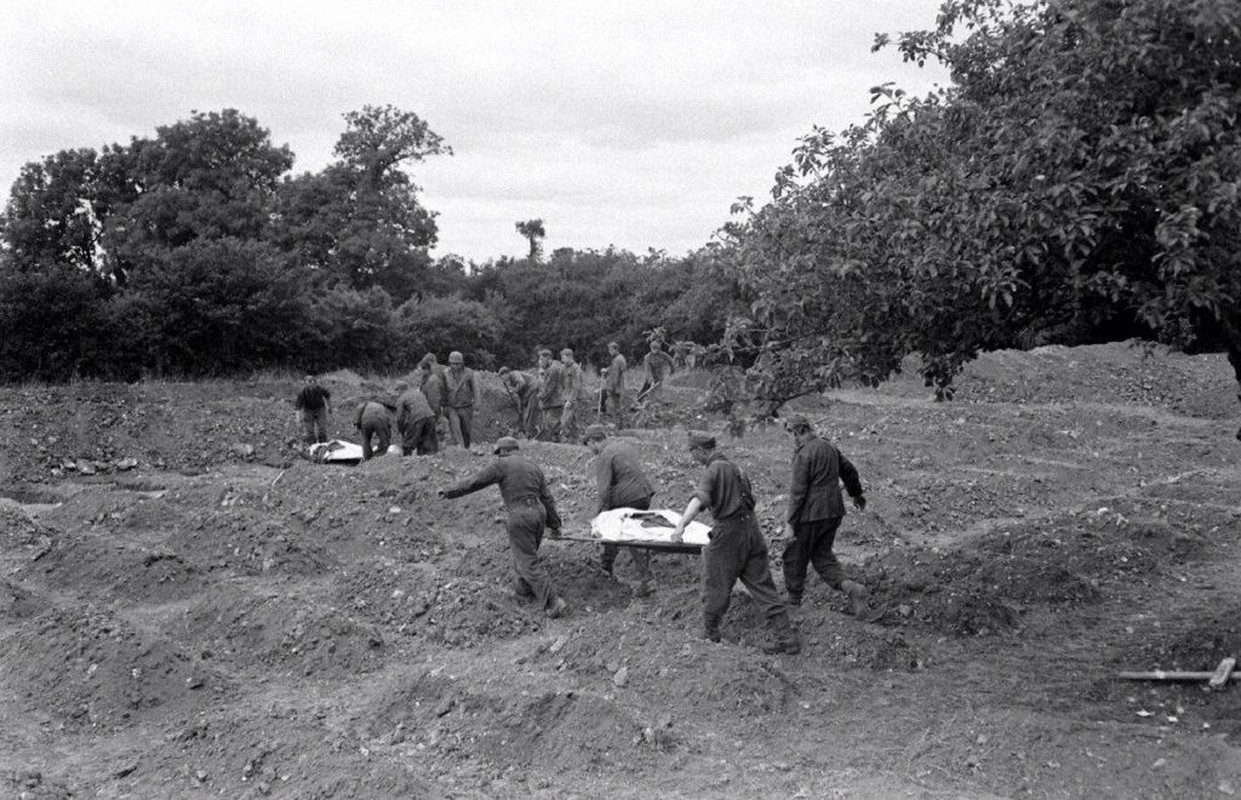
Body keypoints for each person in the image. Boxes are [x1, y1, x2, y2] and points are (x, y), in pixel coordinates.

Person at [670, 431, 800, 655]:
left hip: (729, 533)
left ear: (700, 451)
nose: (692, 457)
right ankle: (786, 637)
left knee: (717, 581)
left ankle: (710, 631)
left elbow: (699, 499)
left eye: (692, 452)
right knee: (762, 585)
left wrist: (681, 525)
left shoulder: (713, 470)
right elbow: (751, 499)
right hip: (752, 530)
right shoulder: (737, 468)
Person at [438, 437, 568, 618]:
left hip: (520, 515)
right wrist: (554, 525)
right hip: (539, 513)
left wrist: (449, 490)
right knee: (524, 554)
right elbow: (547, 498)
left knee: (527, 560)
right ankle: (524, 590)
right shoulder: (533, 467)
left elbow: (475, 481)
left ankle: (552, 601)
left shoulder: (502, 465)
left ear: (503, 452)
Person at [782, 415, 871, 616]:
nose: (792, 439)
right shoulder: (828, 447)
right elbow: (849, 470)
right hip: (833, 511)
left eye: (791, 434)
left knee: (794, 555)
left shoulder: (803, 455)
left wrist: (790, 523)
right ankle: (852, 589)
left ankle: (793, 604)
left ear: (797, 432)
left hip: (811, 514)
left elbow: (798, 492)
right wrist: (856, 494)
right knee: (822, 555)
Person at [584, 424, 656, 596]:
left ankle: (647, 579)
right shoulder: (624, 446)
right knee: (620, 528)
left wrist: (596, 517)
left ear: (593, 442)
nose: (589, 449)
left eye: (588, 445)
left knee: (628, 534)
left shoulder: (605, 454)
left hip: (628, 496)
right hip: (643, 494)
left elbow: (603, 490)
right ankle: (606, 566)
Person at [443, 351, 477, 449]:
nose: (455, 366)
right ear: (450, 363)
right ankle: (460, 448)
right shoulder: (445, 373)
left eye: (458, 363)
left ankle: (466, 448)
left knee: (466, 430)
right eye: (453, 363)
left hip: (466, 406)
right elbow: (443, 389)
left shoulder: (469, 373)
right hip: (452, 406)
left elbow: (476, 390)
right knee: (455, 427)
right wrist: (442, 404)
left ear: (462, 363)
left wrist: (476, 406)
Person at [395, 381, 438, 455]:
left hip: (417, 418)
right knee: (428, 441)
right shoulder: (418, 393)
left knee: (408, 443)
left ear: (400, 389)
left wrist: (401, 430)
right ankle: (431, 460)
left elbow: (400, 418)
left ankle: (406, 460)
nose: (397, 393)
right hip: (430, 416)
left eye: (397, 390)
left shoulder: (401, 398)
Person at [499, 367, 540, 437]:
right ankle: (523, 428)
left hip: (533, 388)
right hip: (524, 392)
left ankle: (530, 431)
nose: (502, 379)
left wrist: (514, 390)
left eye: (502, 376)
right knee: (522, 411)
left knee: (531, 408)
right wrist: (519, 407)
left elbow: (522, 383)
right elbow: (513, 395)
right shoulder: (505, 382)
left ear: (507, 374)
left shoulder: (515, 374)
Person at [537, 348, 566, 442]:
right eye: (539, 359)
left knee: (551, 424)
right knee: (549, 424)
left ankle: (558, 441)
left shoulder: (553, 369)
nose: (539, 361)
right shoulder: (551, 368)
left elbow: (548, 388)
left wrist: (540, 396)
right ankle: (556, 441)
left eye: (541, 359)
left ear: (548, 358)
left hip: (555, 401)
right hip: (552, 401)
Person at [294, 374, 332, 445]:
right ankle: (312, 444)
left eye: (313, 382)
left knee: (322, 427)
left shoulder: (320, 389)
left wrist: (330, 407)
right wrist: (298, 419)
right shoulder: (302, 393)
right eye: (309, 382)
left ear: (316, 382)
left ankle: (323, 443)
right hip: (308, 410)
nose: (312, 384)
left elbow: (327, 396)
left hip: (320, 408)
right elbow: (298, 407)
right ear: (305, 383)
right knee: (309, 429)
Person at [418, 353, 447, 441]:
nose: (419, 373)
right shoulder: (427, 378)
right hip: (432, 410)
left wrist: (433, 415)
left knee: (437, 432)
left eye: (421, 370)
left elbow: (434, 401)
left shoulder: (433, 380)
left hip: (435, 411)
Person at [559, 348, 584, 443]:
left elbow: (576, 386)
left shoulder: (575, 369)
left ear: (569, 357)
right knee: (573, 421)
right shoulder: (564, 367)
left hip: (573, 399)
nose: (562, 360)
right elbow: (562, 383)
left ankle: (564, 440)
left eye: (563, 357)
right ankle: (577, 440)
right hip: (566, 397)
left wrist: (570, 399)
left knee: (564, 420)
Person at [640, 340, 675, 405]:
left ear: (659, 348)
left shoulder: (662, 355)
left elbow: (671, 360)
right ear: (651, 348)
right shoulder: (647, 357)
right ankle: (642, 400)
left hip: (659, 375)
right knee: (647, 388)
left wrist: (672, 370)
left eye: (657, 348)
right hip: (649, 376)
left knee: (658, 388)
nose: (655, 350)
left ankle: (658, 401)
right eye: (653, 348)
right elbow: (648, 370)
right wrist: (651, 381)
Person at [603, 341, 628, 425]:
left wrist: (611, 388)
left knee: (612, 405)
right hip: (619, 385)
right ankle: (619, 423)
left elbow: (615, 375)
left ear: (614, 350)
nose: (609, 352)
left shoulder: (617, 360)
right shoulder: (620, 358)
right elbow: (616, 369)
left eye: (610, 350)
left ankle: (614, 424)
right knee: (617, 405)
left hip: (615, 386)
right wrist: (607, 370)